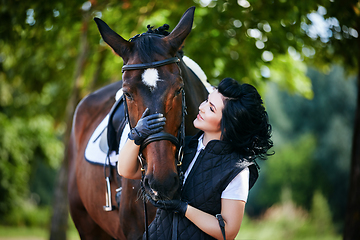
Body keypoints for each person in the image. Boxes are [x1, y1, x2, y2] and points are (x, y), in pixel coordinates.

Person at [117, 77, 273, 240]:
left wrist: (184, 208)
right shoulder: (181, 146)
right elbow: (127, 170)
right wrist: (135, 135)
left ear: (228, 125)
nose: (202, 107)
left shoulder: (237, 170)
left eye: (211, 108)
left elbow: (227, 231)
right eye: (206, 100)